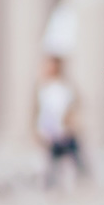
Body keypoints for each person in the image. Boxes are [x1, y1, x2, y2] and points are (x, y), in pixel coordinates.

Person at [35, 55, 87, 189]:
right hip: (49, 130)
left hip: (64, 129)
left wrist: (71, 123)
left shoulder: (65, 86)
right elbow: (38, 109)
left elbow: (73, 106)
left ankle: (81, 182)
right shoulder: (43, 87)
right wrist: (38, 129)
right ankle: (52, 186)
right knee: (52, 160)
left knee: (74, 157)